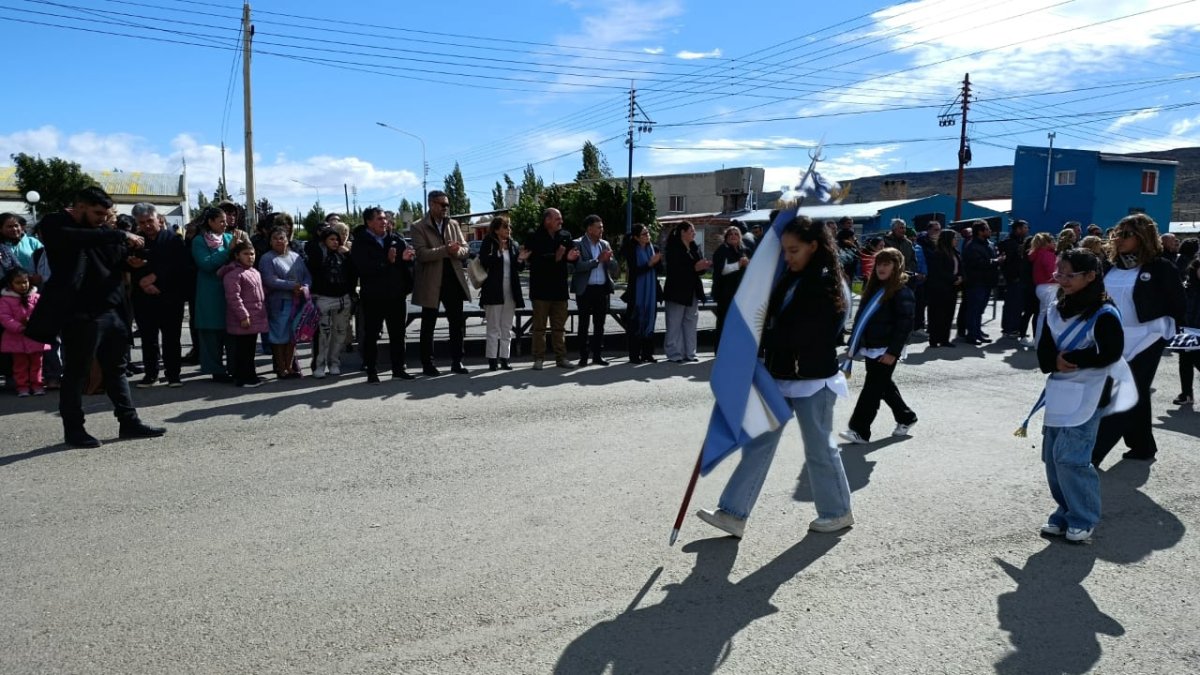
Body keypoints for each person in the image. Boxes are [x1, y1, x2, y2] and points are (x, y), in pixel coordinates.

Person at [695, 215, 854, 538]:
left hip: (813, 379)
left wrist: (764, 339)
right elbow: (770, 318)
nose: (787, 256)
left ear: (814, 246)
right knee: (758, 443)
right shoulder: (789, 278)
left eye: (794, 250)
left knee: (819, 448)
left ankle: (837, 511)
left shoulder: (828, 282)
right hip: (781, 375)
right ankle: (734, 513)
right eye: (784, 250)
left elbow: (813, 333)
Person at [36, 186, 164, 448]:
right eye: (97, 213)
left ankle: (129, 422)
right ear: (80, 206)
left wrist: (131, 262)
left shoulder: (103, 230)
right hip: (81, 314)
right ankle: (74, 430)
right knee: (76, 373)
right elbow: (74, 238)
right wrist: (118, 234)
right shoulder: (55, 223)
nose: (101, 219)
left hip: (113, 310)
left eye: (106, 215)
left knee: (116, 370)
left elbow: (114, 260)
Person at [1034, 249, 1132, 543]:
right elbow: (1045, 344)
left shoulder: (1104, 312)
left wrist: (1074, 358)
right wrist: (1053, 362)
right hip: (1060, 388)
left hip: (1090, 392)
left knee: (1072, 458)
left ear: (1091, 276)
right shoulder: (1056, 307)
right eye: (1058, 273)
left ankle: (1083, 517)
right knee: (1052, 457)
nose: (1061, 279)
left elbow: (1111, 352)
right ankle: (1065, 511)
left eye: (1068, 274)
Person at [1092, 214, 1186, 466]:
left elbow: (1178, 302)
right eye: (1117, 234)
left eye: (1125, 235)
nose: (1118, 239)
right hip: (1115, 337)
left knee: (1127, 390)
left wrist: (1175, 331)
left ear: (1142, 237)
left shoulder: (1160, 267)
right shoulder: (1109, 266)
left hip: (1149, 335)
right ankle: (1143, 445)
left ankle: (1092, 454)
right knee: (1138, 392)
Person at [839, 248, 917, 443]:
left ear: (896, 266)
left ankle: (860, 430)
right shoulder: (875, 288)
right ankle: (906, 416)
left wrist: (893, 352)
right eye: (879, 264)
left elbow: (905, 325)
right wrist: (855, 344)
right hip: (872, 346)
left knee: (872, 388)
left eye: (886, 264)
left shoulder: (901, 291)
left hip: (886, 349)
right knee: (883, 386)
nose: (881, 268)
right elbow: (862, 320)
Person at [350, 206, 415, 384]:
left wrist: (408, 261)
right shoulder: (361, 242)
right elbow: (364, 268)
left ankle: (398, 369)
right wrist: (387, 261)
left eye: (385, 218)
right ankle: (371, 370)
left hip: (396, 295)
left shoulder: (396, 240)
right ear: (368, 222)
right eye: (379, 219)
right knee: (371, 335)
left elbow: (406, 267)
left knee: (398, 334)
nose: (384, 222)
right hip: (373, 296)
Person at [129, 203, 188, 388]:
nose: (147, 225)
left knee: (171, 338)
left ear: (158, 219)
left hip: (170, 296)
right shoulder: (136, 242)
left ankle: (173, 375)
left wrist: (154, 277)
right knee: (148, 339)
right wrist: (142, 282)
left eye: (150, 221)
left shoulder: (173, 239)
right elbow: (130, 264)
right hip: (144, 298)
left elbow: (180, 266)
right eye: (142, 222)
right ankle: (151, 374)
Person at [412, 192, 471, 376]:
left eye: (447, 205)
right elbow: (421, 254)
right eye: (442, 204)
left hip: (453, 280)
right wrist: (445, 250)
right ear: (431, 204)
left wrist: (457, 251)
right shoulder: (418, 226)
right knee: (428, 324)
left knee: (456, 323)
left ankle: (457, 361)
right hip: (431, 281)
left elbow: (465, 249)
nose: (445, 208)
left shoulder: (453, 224)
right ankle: (428, 364)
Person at [192, 206, 243, 382]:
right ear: (210, 222)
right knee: (211, 333)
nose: (225, 224)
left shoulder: (230, 237)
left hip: (231, 291)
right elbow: (205, 264)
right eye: (221, 221)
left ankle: (234, 367)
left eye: (226, 220)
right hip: (209, 293)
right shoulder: (199, 241)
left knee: (232, 332)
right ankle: (216, 370)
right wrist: (228, 251)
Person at [525, 207, 579, 370]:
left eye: (561, 219)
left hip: (559, 289)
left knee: (559, 327)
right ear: (547, 220)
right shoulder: (534, 237)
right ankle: (538, 358)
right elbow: (533, 261)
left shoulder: (565, 236)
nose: (561, 222)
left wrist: (570, 259)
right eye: (557, 219)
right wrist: (555, 258)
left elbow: (572, 257)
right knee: (539, 327)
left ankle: (561, 358)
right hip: (541, 289)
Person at [260, 226, 311, 379]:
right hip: (279, 303)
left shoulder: (296, 256)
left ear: (287, 240)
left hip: (298, 302)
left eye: (281, 238)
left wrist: (304, 287)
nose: (278, 241)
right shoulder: (267, 258)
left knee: (292, 336)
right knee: (279, 336)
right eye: (275, 238)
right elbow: (269, 280)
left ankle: (290, 367)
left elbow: (307, 277)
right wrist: (291, 286)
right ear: (270, 241)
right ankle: (280, 368)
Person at [306, 226, 356, 378]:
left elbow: (353, 273)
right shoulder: (317, 254)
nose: (335, 242)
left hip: (343, 299)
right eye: (331, 239)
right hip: (323, 298)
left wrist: (348, 254)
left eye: (337, 240)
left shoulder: (343, 256)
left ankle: (334, 363)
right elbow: (311, 266)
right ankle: (319, 365)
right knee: (322, 335)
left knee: (340, 333)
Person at [478, 215, 527, 371]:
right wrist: (498, 252)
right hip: (493, 290)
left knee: (506, 327)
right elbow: (484, 262)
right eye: (506, 227)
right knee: (493, 327)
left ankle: (505, 358)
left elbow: (518, 268)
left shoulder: (513, 244)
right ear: (497, 229)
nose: (509, 230)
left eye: (509, 227)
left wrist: (520, 259)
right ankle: (492, 359)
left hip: (510, 291)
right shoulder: (489, 242)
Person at [571, 215, 620, 367]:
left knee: (600, 324)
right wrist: (598, 260)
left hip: (601, 289)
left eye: (602, 227)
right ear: (589, 229)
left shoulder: (604, 244)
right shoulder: (577, 244)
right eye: (599, 227)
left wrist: (610, 260)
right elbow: (577, 267)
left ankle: (598, 355)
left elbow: (613, 266)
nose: (601, 230)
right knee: (584, 324)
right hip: (586, 290)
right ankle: (583, 356)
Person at [220, 241, 268, 388]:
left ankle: (251, 375)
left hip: (255, 317)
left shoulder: (254, 272)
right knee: (243, 350)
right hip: (243, 319)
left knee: (250, 349)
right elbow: (233, 297)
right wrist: (243, 316)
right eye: (245, 254)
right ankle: (243, 378)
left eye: (252, 253)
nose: (250, 257)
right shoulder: (233, 274)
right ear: (237, 256)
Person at [663, 221, 711, 363]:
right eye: (691, 231)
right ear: (683, 232)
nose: (694, 233)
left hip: (692, 291)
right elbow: (675, 270)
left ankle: (690, 353)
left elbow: (698, 269)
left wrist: (703, 266)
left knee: (690, 322)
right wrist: (694, 268)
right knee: (674, 323)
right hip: (676, 291)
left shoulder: (694, 247)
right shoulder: (673, 248)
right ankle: (674, 353)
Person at [0, 268, 49, 396]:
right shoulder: (5, 300)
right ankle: (22, 387)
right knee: (20, 365)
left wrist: (35, 324)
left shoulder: (36, 297)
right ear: (11, 284)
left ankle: (37, 385)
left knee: (37, 364)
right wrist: (19, 327)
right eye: (18, 283)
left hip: (35, 337)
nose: (23, 285)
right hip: (16, 338)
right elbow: (5, 318)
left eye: (25, 282)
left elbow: (44, 314)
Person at [621, 223, 663, 363]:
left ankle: (647, 354)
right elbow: (634, 272)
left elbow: (660, 270)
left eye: (648, 233)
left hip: (651, 292)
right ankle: (634, 355)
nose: (648, 236)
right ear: (637, 238)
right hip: (636, 293)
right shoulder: (632, 250)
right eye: (644, 234)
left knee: (650, 321)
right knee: (635, 322)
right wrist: (649, 264)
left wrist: (657, 263)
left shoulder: (654, 249)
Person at [961, 220, 1003, 345]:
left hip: (987, 282)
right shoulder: (972, 246)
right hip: (976, 282)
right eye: (987, 229)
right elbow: (978, 263)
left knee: (979, 310)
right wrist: (996, 261)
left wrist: (997, 260)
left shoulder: (988, 244)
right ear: (980, 232)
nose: (990, 231)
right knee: (973, 309)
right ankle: (971, 335)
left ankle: (977, 333)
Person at [711, 225, 751, 352]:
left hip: (740, 292)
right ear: (726, 237)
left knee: (738, 323)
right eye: (731, 234)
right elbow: (722, 270)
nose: (733, 236)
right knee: (724, 322)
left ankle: (735, 349)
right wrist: (739, 264)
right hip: (725, 293)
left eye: (736, 234)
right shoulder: (721, 250)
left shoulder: (743, 250)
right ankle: (721, 350)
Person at [926, 229, 962, 348]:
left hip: (952, 288)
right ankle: (934, 339)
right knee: (937, 314)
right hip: (940, 289)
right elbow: (938, 271)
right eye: (954, 238)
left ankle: (944, 339)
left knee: (948, 314)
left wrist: (961, 278)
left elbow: (960, 268)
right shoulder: (938, 253)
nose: (956, 240)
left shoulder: (955, 252)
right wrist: (953, 278)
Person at [1174, 256, 1200, 406]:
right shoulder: (1187, 286)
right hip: (1187, 328)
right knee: (1185, 361)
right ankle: (1186, 394)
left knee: (1197, 360)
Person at [998, 220, 1030, 339]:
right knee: (1012, 304)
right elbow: (1009, 263)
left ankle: (1015, 327)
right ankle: (1009, 328)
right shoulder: (1010, 243)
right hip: (1014, 279)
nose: (1027, 230)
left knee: (1018, 305)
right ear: (1018, 229)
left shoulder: (1021, 242)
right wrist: (1013, 276)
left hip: (1021, 278)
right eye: (1025, 228)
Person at [1028, 232, 1059, 345]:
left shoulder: (1038, 254)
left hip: (1041, 287)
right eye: (1053, 241)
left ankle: (1038, 341)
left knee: (1042, 315)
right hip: (1050, 287)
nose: (1055, 243)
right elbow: (1052, 273)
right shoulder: (1047, 255)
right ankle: (1045, 342)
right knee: (1052, 315)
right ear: (1047, 243)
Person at [1, 213, 43, 284]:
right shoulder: (1, 247)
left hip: (33, 286)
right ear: (1, 229)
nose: (14, 229)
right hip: (6, 287)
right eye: (9, 226)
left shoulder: (32, 242)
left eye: (16, 225)